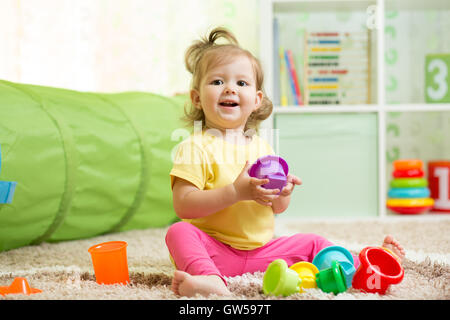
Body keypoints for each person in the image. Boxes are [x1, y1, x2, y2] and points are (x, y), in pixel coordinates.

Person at [165, 27, 405, 297]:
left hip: (262, 253)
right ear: (197, 97)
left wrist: (282, 193)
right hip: (216, 251)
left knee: (312, 242)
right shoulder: (194, 147)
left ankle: (366, 264)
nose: (230, 88)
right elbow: (183, 204)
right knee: (179, 232)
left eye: (241, 83)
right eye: (218, 82)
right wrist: (234, 193)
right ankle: (210, 281)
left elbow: (276, 208)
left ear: (256, 100)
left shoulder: (261, 147)